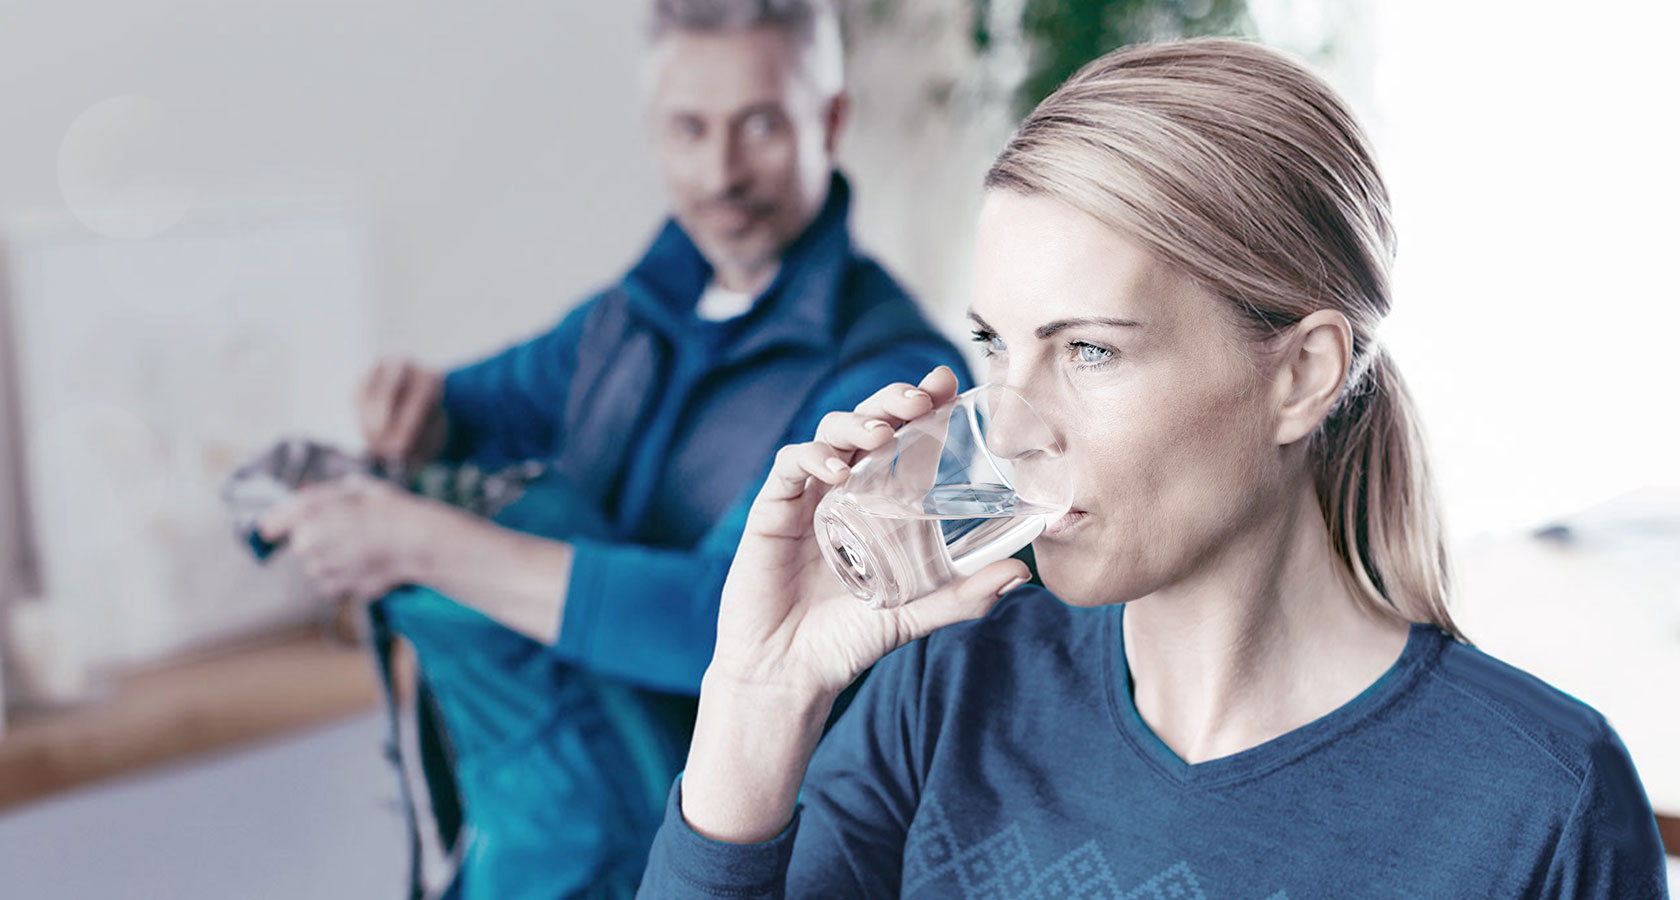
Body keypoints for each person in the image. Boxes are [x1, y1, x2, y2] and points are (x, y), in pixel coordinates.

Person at [635, 38, 1672, 898]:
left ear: (1303, 375)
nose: (1015, 428)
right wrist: (757, 696)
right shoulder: (949, 688)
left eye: (1090, 350)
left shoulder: (1539, 805)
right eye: (998, 345)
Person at [258, 2, 971, 897]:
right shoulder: (639, 312)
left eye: (760, 124)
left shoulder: (897, 380)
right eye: (689, 128)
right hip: (552, 828)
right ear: (654, 131)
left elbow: (731, 625)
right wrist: (423, 413)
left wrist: (415, 542)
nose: (721, 172)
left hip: (731, 856)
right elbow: (483, 404)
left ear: (828, 121)